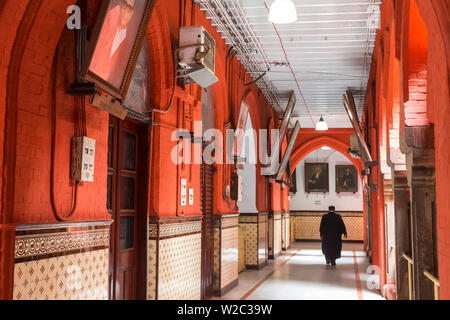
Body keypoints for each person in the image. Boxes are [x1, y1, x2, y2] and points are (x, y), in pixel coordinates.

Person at [90, 0, 136, 89]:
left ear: (132, 14)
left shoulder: (127, 50)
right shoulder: (105, 24)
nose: (125, 10)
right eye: (125, 5)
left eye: (129, 8)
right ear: (120, 5)